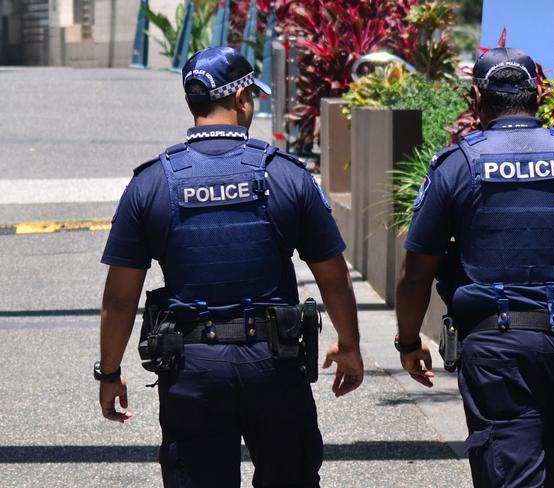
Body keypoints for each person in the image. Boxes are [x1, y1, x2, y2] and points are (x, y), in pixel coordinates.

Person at [95, 46, 364, 488]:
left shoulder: (151, 183)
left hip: (191, 369)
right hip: (273, 365)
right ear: (241, 100)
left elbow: (120, 298)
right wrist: (349, 345)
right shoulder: (287, 175)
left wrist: (109, 373)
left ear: (190, 103)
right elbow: (332, 276)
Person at [394, 47, 554, 488]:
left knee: (510, 473)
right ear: (538, 93)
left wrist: (409, 340)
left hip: (497, 353)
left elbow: (416, 272)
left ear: (477, 97)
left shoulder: (457, 167)